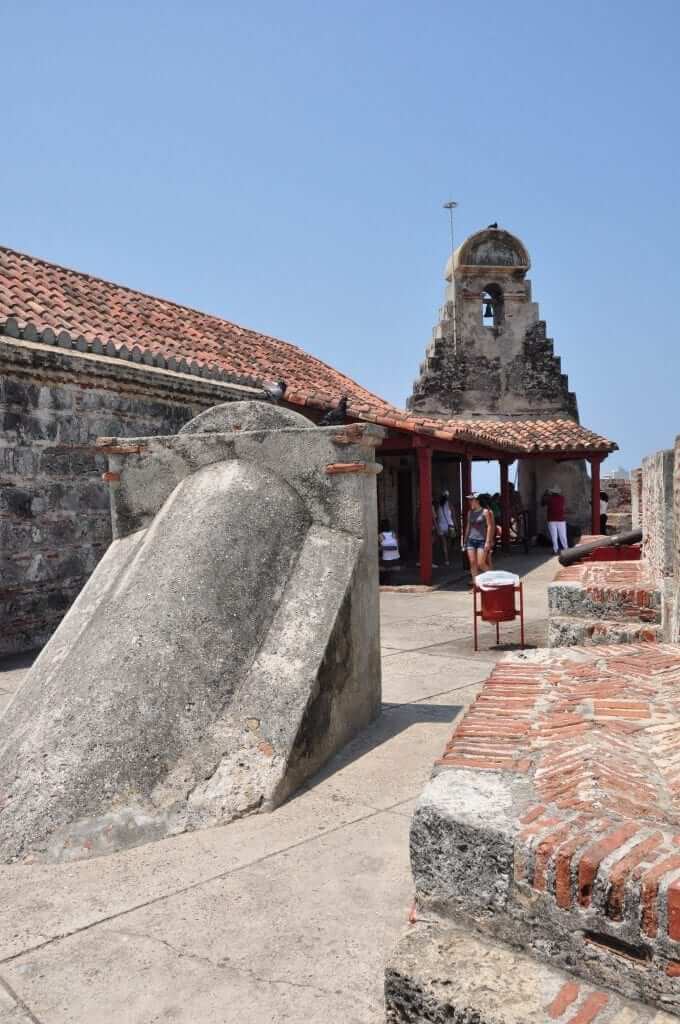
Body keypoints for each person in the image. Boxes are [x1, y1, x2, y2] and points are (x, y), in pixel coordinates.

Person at [463, 492, 495, 581]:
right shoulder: (470, 512)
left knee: (481, 564)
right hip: (471, 540)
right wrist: (465, 541)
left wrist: (488, 541)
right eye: (469, 500)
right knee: (472, 563)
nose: (469, 501)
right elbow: (468, 527)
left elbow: (490, 526)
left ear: (477, 501)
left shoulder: (485, 512)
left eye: (471, 499)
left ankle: (493, 577)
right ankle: (475, 584)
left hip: (482, 541)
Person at [542, 485, 567, 555]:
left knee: (554, 536)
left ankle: (555, 550)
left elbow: (542, 503)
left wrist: (545, 494)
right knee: (563, 536)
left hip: (551, 520)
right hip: (561, 519)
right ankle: (566, 549)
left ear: (552, 492)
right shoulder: (562, 498)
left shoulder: (549, 498)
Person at [434, 491, 455, 566]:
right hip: (450, 526)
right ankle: (448, 556)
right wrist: (456, 525)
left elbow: (436, 516)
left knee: (444, 544)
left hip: (441, 526)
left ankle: (446, 560)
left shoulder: (438, 505)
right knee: (450, 542)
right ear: (447, 497)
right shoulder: (450, 504)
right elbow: (453, 515)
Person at [378, 518, 400, 583]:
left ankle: (385, 581)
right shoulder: (393, 534)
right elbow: (397, 545)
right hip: (396, 559)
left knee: (377, 563)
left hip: (386, 561)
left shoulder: (380, 535)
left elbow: (384, 547)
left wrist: (379, 548)